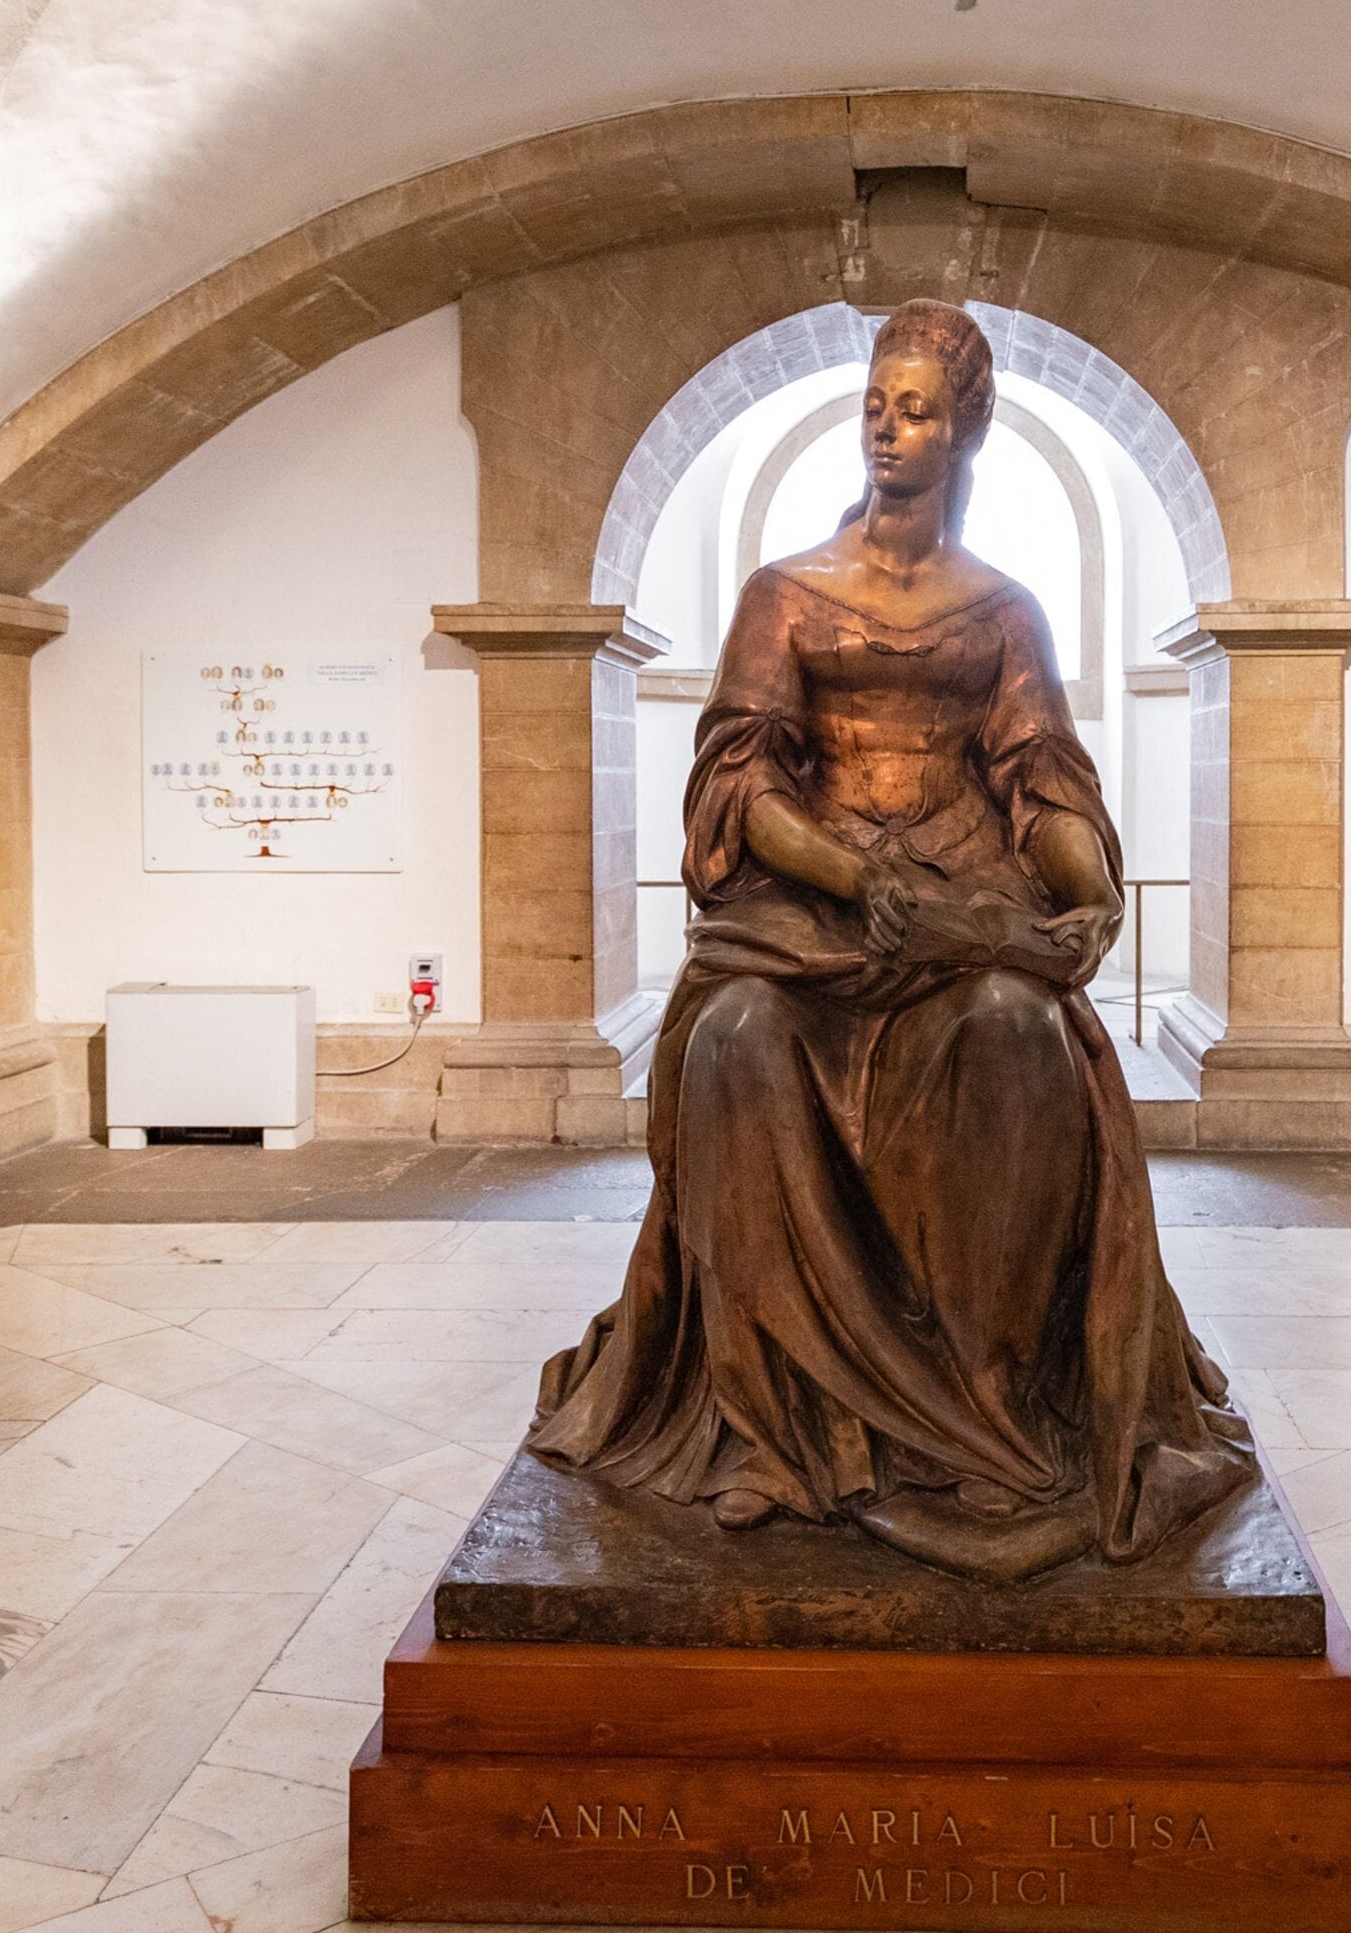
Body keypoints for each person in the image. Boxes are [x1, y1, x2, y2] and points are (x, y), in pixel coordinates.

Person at [528, 299, 1255, 1581]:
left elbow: (1042, 780)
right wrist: (851, 874)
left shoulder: (1005, 610)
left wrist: (1092, 900)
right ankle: (774, 1427)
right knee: (737, 1044)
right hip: (806, 912)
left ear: (966, 427)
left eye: (915, 409)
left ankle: (985, 1415)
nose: (887, 429)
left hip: (962, 908)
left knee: (1018, 1033)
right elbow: (739, 781)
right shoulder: (788, 592)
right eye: (875, 404)